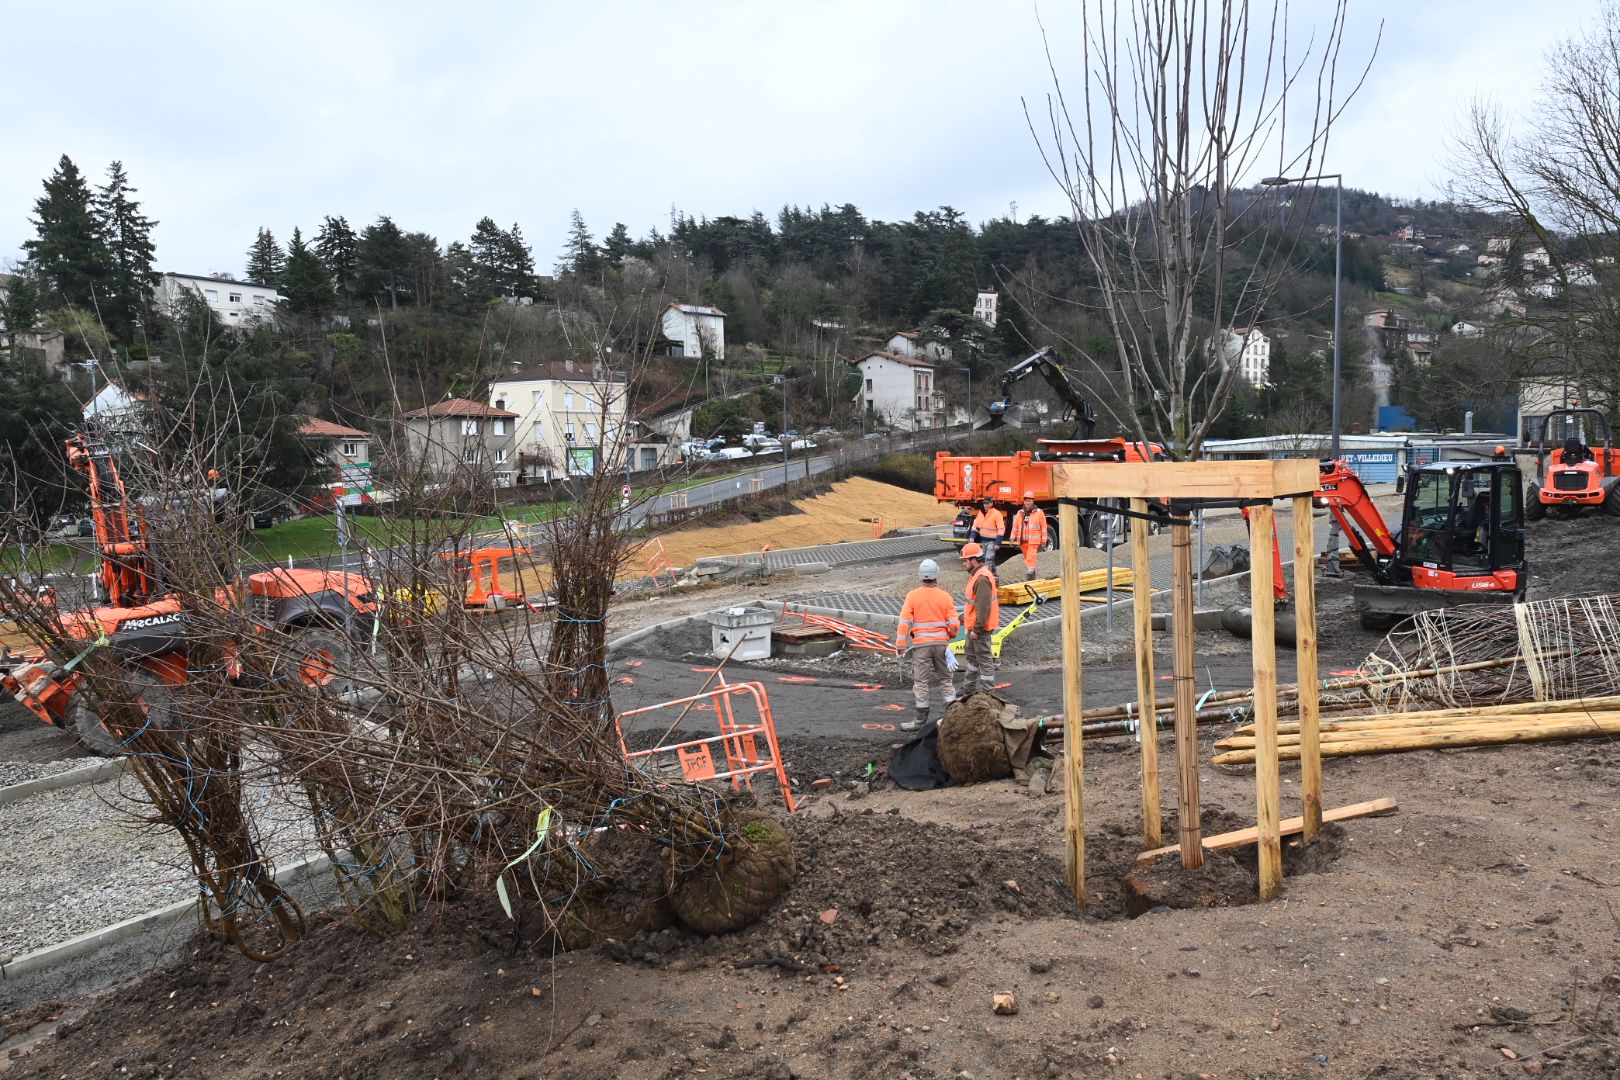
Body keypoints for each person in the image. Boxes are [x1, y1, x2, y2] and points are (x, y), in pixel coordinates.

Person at [896, 558, 960, 732]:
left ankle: (919, 720)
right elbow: (954, 623)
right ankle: (953, 718)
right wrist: (950, 635)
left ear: (920, 576)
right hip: (941, 645)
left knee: (921, 681)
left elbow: (904, 621)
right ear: (936, 575)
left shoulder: (912, 596)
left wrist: (900, 644)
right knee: (946, 679)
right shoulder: (945, 596)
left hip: (921, 646)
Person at [958, 542, 1000, 694]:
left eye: (965, 560)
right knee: (972, 660)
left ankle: (988, 693)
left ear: (974, 560)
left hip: (980, 629)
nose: (963, 563)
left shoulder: (981, 578)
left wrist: (977, 628)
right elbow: (975, 604)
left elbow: (983, 607)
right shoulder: (977, 575)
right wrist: (963, 618)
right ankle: (968, 688)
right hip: (974, 627)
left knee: (984, 660)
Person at [1007, 491, 1048, 581]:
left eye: (1029, 501)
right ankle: (1032, 574)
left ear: (1033, 501)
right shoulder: (1020, 513)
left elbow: (1044, 527)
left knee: (1030, 556)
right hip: (1023, 541)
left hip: (1034, 541)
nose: (1027, 503)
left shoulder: (1039, 513)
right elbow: (1015, 527)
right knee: (1027, 558)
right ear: (1024, 502)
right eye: (1026, 501)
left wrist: (1044, 541)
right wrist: (1012, 538)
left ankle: (1030, 573)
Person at [970, 495, 1005, 566]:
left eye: (987, 503)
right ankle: (993, 574)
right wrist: (972, 537)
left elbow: (1001, 528)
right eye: (984, 503)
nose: (986, 505)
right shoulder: (981, 513)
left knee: (988, 558)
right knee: (984, 558)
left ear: (992, 503)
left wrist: (998, 543)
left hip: (992, 541)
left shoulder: (996, 514)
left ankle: (987, 575)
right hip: (983, 540)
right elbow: (976, 526)